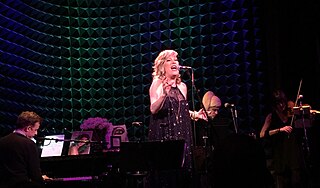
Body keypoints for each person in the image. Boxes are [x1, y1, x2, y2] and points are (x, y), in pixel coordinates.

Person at [147, 49, 206, 188]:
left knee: (184, 172)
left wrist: (195, 114)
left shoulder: (183, 86)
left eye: (176, 60)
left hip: (182, 132)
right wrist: (164, 95)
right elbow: (153, 109)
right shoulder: (157, 83)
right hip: (165, 133)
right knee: (167, 173)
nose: (174, 62)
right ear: (162, 66)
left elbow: (181, 111)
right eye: (169, 60)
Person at [259, 90, 306, 188]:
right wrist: (280, 130)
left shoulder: (291, 112)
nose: (281, 105)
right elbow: (262, 134)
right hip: (280, 155)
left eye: (283, 102)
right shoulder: (271, 116)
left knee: (296, 181)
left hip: (294, 153)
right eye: (278, 103)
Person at [0, 111, 50, 188]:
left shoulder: (2, 141)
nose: (36, 133)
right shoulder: (28, 144)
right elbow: (34, 173)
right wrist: (41, 180)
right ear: (28, 128)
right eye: (36, 129)